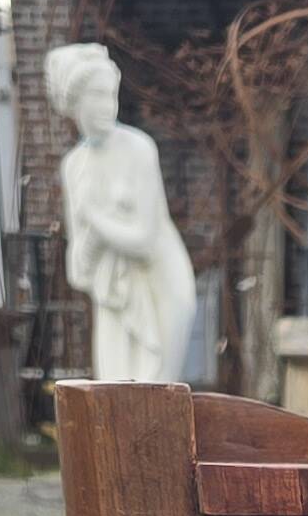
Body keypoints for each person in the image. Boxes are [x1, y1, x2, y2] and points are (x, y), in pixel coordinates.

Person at [43, 41, 198, 384]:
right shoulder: (74, 166)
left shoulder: (139, 149)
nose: (106, 106)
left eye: (110, 94)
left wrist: (95, 220)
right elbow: (78, 271)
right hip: (113, 295)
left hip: (160, 284)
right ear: (74, 102)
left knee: (159, 394)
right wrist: (93, 239)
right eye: (96, 95)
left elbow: (143, 240)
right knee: (115, 396)